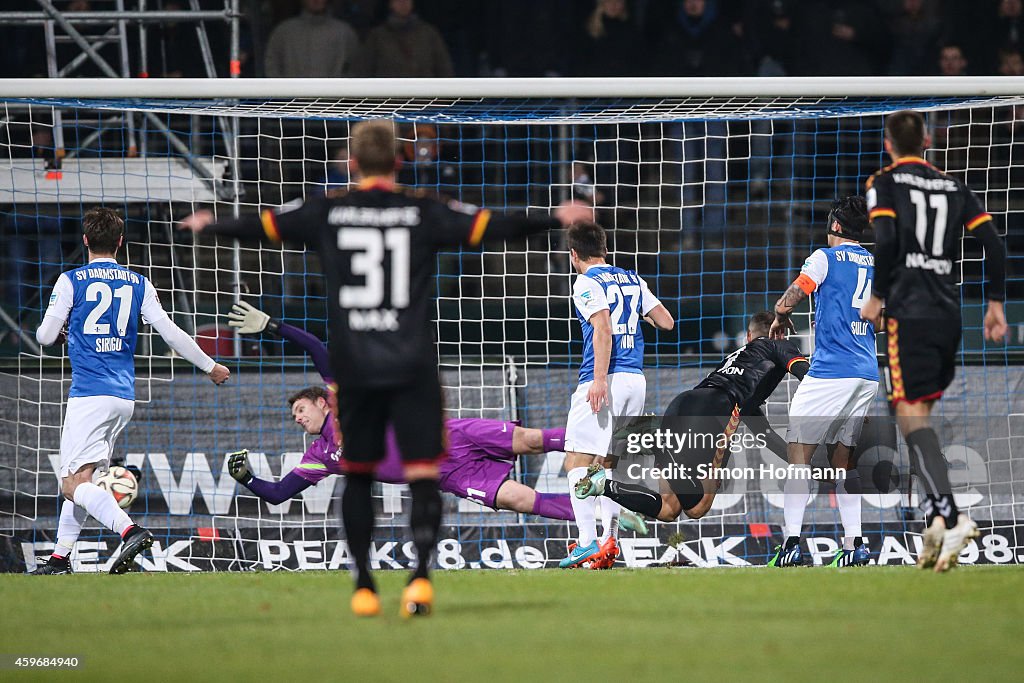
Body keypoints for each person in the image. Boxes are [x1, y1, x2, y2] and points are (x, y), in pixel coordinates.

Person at [179, 119, 591, 617]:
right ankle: (418, 582)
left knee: (356, 480)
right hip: (412, 363)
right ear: (401, 161)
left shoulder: (325, 211)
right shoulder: (423, 209)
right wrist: (554, 217)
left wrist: (211, 224)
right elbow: (495, 225)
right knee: (423, 478)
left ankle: (365, 588)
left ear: (349, 163)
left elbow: (261, 226)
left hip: (357, 368)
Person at [222, 301, 578, 521]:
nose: (298, 418)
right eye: (294, 417)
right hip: (446, 473)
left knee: (531, 440)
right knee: (517, 499)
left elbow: (316, 347)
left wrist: (274, 327)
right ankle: (596, 517)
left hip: (452, 434)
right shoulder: (321, 455)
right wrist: (247, 479)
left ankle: (602, 442)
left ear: (322, 401)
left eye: (300, 409)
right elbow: (279, 493)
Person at [32, 208, 229, 575]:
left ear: (86, 240)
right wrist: (210, 366)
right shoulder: (139, 283)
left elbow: (44, 337)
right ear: (121, 242)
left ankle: (130, 530)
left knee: (71, 483)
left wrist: (64, 331)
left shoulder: (70, 280)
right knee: (83, 477)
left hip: (89, 394)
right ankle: (60, 558)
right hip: (123, 396)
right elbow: (171, 332)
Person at [859, 110, 1007, 572]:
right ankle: (938, 523)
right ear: (926, 140)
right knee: (917, 417)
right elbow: (996, 246)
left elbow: (885, 242)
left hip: (909, 313)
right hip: (949, 314)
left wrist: (876, 297)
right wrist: (996, 305)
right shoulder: (955, 186)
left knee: (908, 418)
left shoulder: (882, 183)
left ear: (888, 144)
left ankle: (953, 515)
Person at [576, 312, 809, 523]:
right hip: (714, 411)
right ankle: (655, 441)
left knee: (669, 508)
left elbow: (762, 431)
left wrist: (795, 460)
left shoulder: (737, 360)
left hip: (684, 403)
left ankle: (604, 485)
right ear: (780, 334)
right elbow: (808, 376)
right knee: (698, 507)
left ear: (748, 335)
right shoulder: (778, 345)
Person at [767, 196, 878, 568]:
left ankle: (792, 545)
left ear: (834, 227)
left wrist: (781, 315)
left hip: (832, 371)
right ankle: (855, 546)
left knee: (798, 455)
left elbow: (793, 296)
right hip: (867, 373)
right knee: (843, 461)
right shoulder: (875, 262)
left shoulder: (824, 258)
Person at [560, 221, 674, 569]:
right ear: (604, 249)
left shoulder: (585, 282)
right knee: (609, 464)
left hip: (605, 378)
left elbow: (603, 328)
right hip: (635, 380)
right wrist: (639, 316)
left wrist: (598, 380)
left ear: (574, 255)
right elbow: (666, 321)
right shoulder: (631, 279)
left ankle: (584, 543)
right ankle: (610, 542)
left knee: (576, 463)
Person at [354, 0, 453, 78]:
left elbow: (444, 69)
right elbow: (363, 70)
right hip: (389, 100)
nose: (403, 3)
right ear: (390, 4)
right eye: (398, 0)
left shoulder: (429, 33)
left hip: (424, 100)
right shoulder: (377, 36)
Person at [263, 0, 360, 77]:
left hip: (333, 100)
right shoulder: (284, 32)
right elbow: (272, 67)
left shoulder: (344, 32)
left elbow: (357, 69)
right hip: (293, 100)